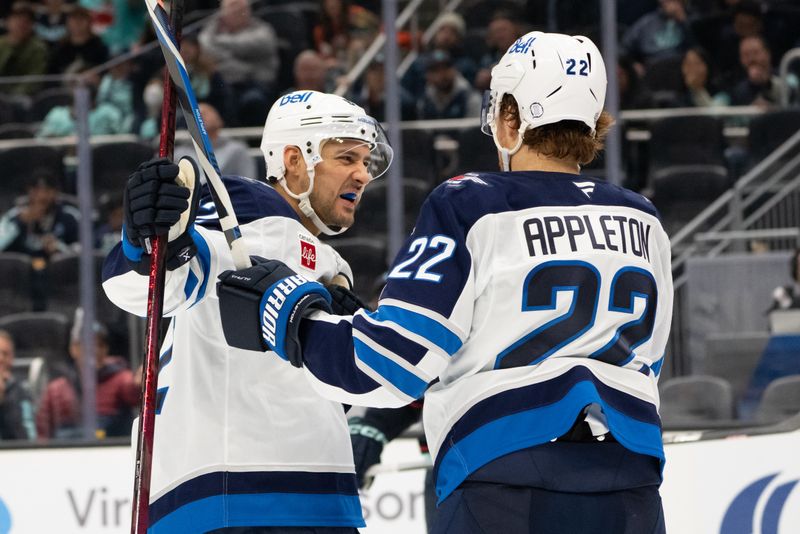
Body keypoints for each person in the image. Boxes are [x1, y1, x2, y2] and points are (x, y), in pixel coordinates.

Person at [218, 32, 674, 534]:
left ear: (511, 117)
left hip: (505, 478)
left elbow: (392, 361)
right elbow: (647, 360)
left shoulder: (472, 203)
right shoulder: (642, 217)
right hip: (631, 477)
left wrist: (292, 316)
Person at [102, 90, 393, 531]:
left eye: (366, 161)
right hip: (245, 495)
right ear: (294, 159)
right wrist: (148, 243)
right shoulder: (253, 211)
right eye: (347, 157)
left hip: (292, 495)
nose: (362, 174)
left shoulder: (322, 256)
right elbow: (158, 286)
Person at [35, 320, 140, 439]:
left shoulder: (121, 379)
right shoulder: (56, 390)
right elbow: (43, 433)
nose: (95, 350)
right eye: (88, 344)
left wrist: (140, 384)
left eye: (100, 345)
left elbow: (134, 391)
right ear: (74, 349)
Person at [173, 102, 256, 179]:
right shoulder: (179, 153)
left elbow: (249, 183)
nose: (200, 115)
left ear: (219, 120)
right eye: (195, 114)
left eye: (206, 112)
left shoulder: (237, 150)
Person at [0, 2, 49, 97]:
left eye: (26, 21)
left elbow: (35, 77)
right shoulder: (1, 45)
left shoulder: (38, 48)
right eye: (17, 19)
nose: (21, 24)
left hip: (23, 98)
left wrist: (14, 96)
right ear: (7, 22)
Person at [0, 330, 37, 441]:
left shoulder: (22, 392)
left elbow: (28, 438)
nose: (0, 359)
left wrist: (4, 404)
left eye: (5, 354)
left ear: (12, 358)